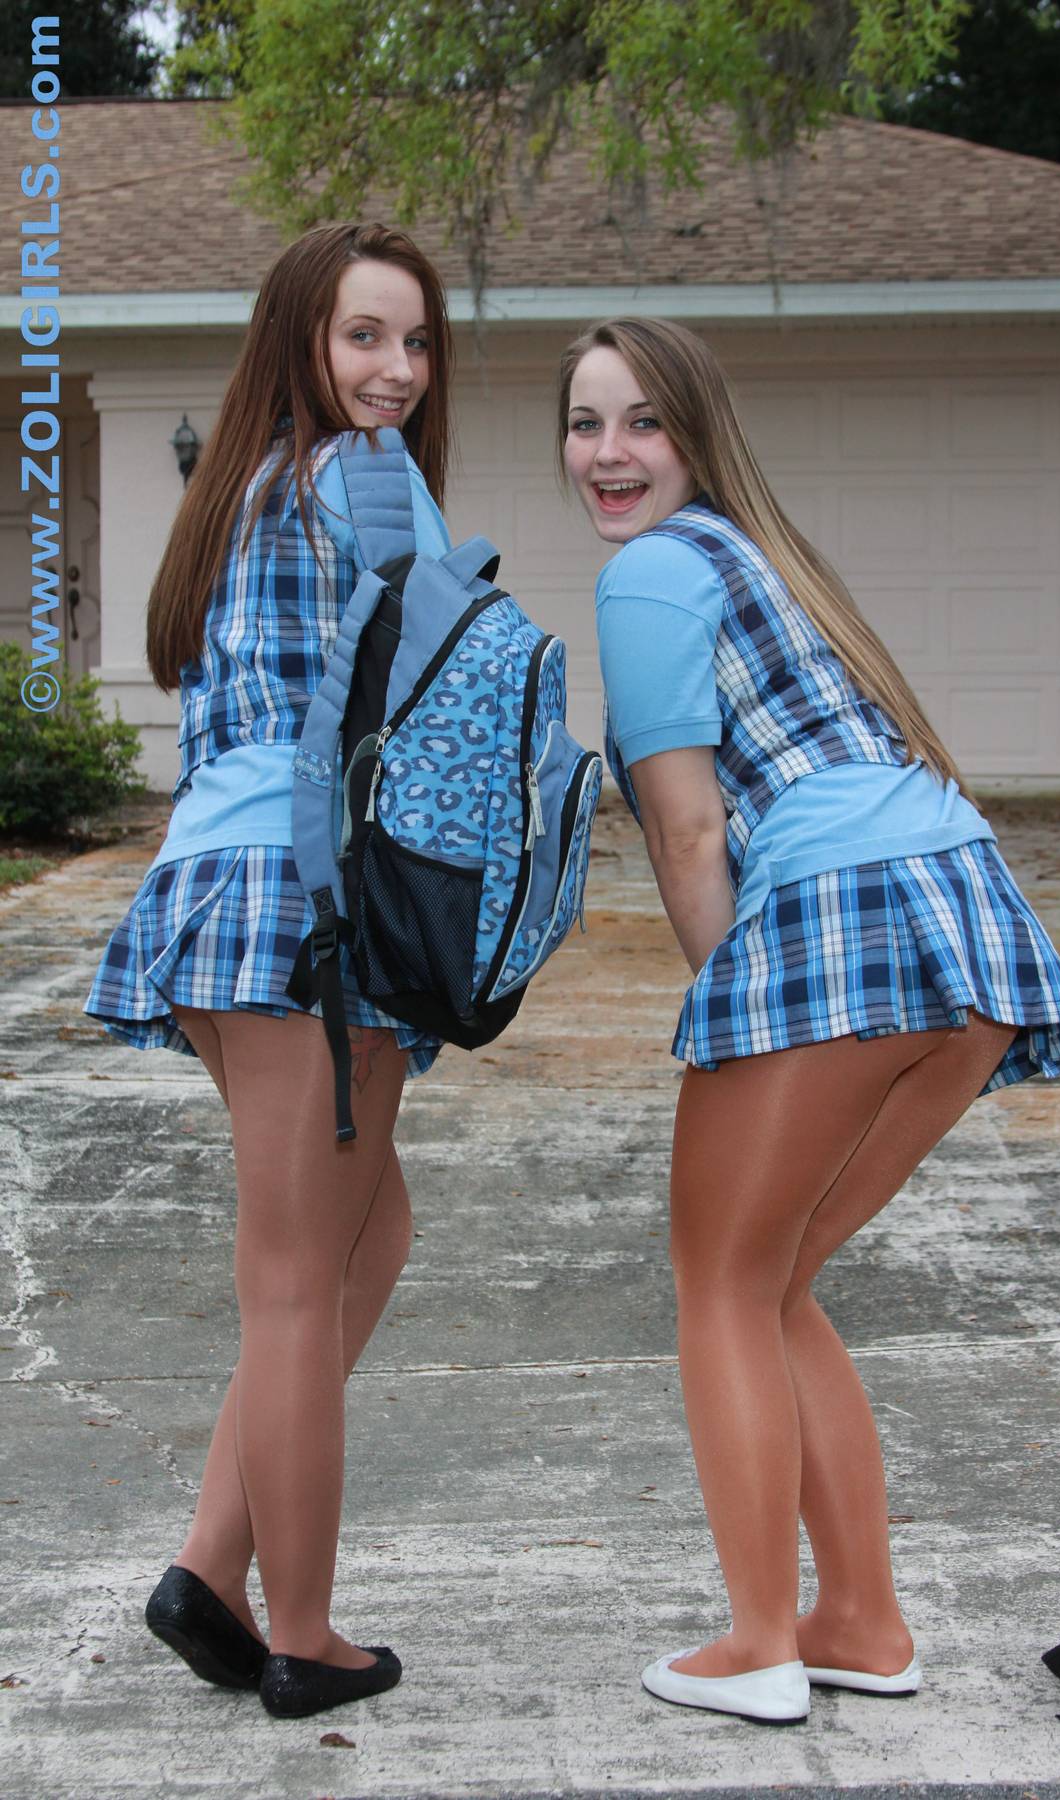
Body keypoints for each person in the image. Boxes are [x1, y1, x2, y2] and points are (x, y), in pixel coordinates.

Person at [557, 318, 1060, 1726]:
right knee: (777, 1280)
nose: (609, 453)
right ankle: (857, 1619)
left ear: (698, 432)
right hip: (963, 922)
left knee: (721, 1283)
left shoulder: (651, 573)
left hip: (843, 919)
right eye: (585, 422)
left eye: (643, 422)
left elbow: (686, 832)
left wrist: (731, 1009)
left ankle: (757, 1644)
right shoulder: (766, 557)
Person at [86, 222, 456, 1719]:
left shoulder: (241, 485)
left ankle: (211, 1566)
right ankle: (303, 1632)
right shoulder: (365, 478)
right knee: (300, 1286)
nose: (397, 369)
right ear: (300, 338)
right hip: (310, 904)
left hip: (211, 892)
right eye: (365, 335)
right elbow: (432, 717)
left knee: (367, 1238)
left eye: (416, 341)